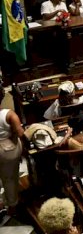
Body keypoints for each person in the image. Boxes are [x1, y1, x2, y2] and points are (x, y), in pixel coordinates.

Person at [0, 87, 23, 216]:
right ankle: (13, 207)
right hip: (7, 150)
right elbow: (20, 133)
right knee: (9, 179)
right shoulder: (9, 114)